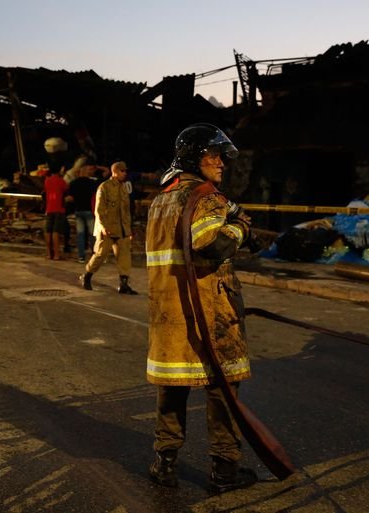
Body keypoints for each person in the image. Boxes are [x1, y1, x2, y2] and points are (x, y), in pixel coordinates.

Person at [145, 123, 257, 493]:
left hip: (169, 311)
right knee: (222, 390)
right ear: (194, 157)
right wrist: (239, 227)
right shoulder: (206, 197)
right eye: (214, 155)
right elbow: (209, 245)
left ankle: (164, 464)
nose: (222, 163)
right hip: (210, 310)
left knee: (172, 388)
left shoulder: (161, 199)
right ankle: (224, 470)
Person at [79, 161, 137, 294]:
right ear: (115, 172)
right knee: (100, 255)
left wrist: (129, 229)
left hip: (122, 229)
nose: (125, 173)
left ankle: (124, 284)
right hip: (108, 229)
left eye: (125, 171)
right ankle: (87, 276)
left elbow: (126, 211)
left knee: (124, 257)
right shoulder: (104, 187)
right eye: (122, 171)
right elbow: (99, 210)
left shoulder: (123, 188)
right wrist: (103, 227)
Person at [66, 164, 99, 263]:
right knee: (92, 234)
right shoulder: (92, 183)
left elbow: (70, 198)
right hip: (89, 210)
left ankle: (81, 257)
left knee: (80, 234)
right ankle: (95, 255)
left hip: (78, 210)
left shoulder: (74, 183)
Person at [43, 167, 69, 260]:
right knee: (56, 232)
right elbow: (66, 190)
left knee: (48, 231)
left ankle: (49, 254)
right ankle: (57, 254)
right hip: (59, 208)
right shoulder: (61, 181)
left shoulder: (47, 181)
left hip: (49, 208)